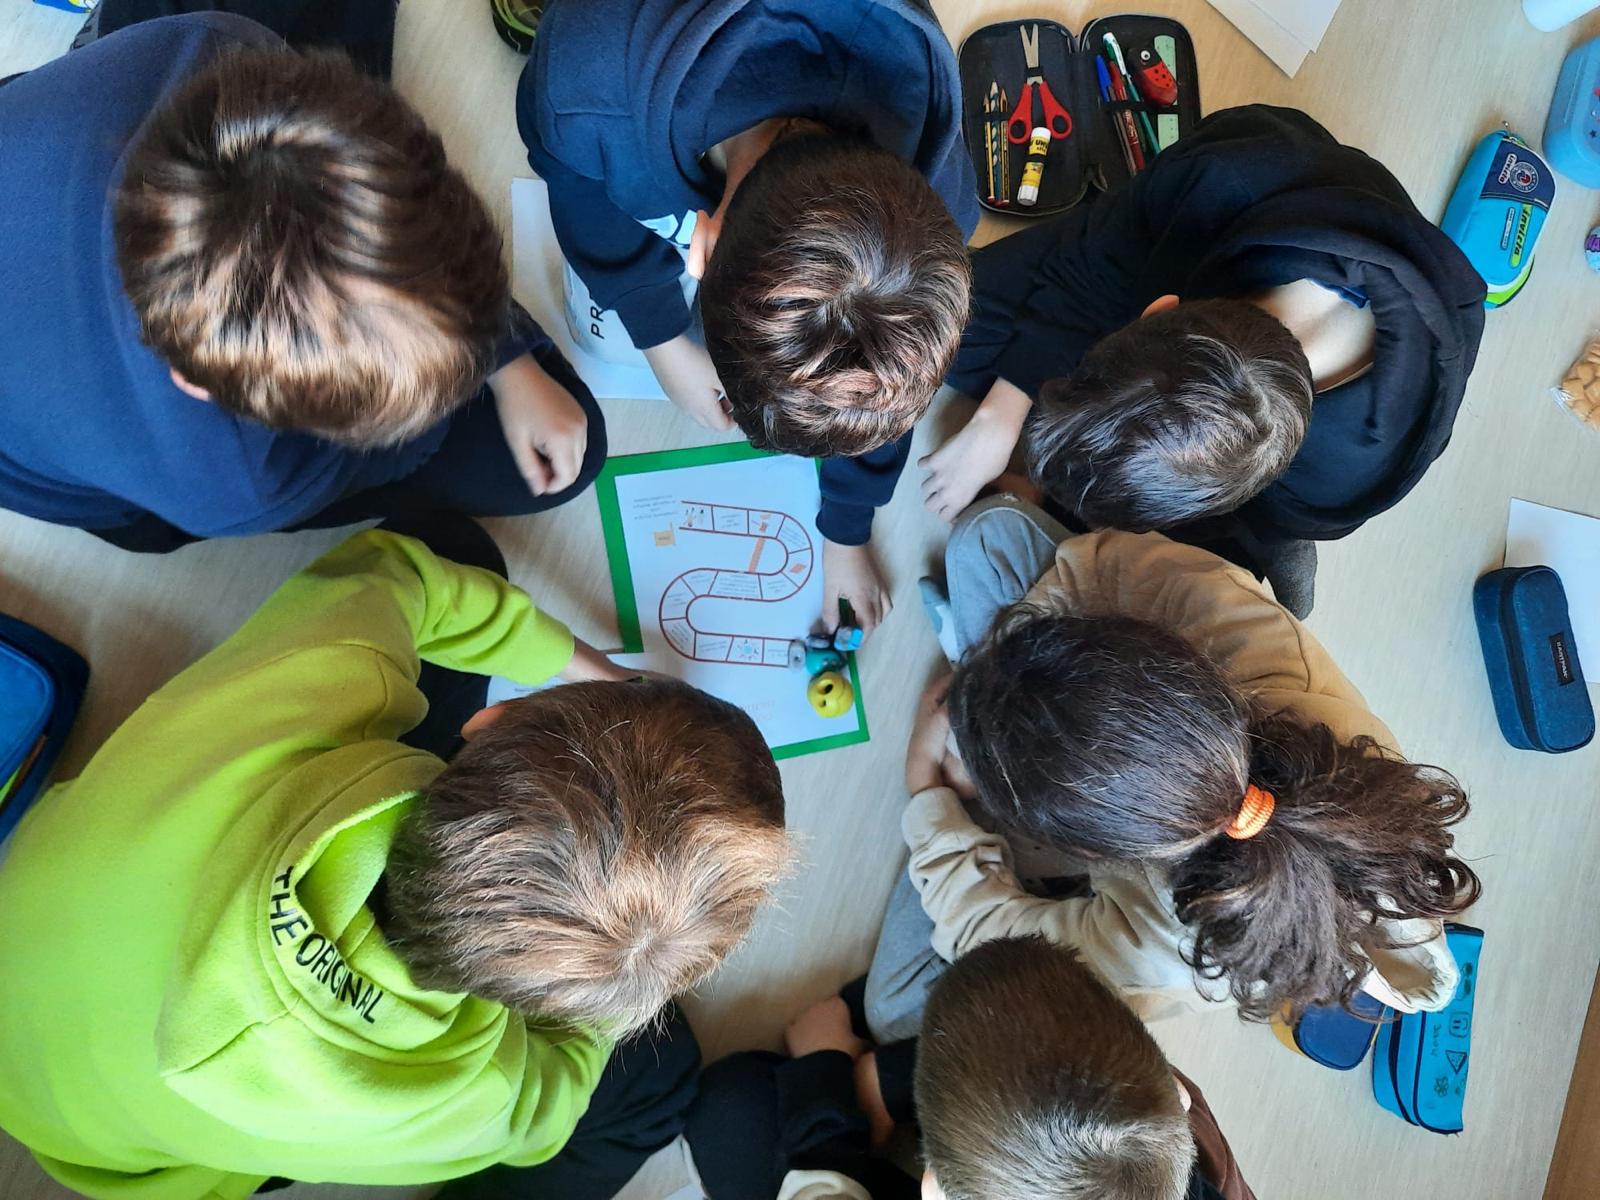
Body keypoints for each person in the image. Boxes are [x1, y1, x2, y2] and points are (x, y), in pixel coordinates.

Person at [0, 513, 791, 1200]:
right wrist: (600, 993)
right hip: (121, 1148)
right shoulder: (481, 1098)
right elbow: (550, 1113)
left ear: (488, 722)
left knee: (449, 548)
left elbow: (394, 573)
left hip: (33, 957)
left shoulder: (306, 699)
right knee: (657, 1077)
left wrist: (592, 672)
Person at [864, 495, 1482, 1042]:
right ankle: (1006, 713)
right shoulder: (1255, 643)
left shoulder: (1173, 945)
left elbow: (989, 929)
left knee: (895, 1011)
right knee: (989, 534)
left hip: (1137, 901)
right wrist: (1004, 665)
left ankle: (996, 760)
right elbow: (1111, 562)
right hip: (1147, 823)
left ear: (1080, 847)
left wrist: (930, 795)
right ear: (1168, 661)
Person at [0, 9, 604, 553]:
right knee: (574, 446)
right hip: (74, 469)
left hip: (37, 159)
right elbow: (377, 454)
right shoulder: (238, 484)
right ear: (199, 383)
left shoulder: (218, 41)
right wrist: (503, 363)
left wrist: (504, 356)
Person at [517, 0, 979, 632]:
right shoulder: (585, 84)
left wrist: (845, 529)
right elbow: (565, 166)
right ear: (699, 250)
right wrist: (657, 335)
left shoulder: (943, 211)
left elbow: (877, 378)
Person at [919, 105, 1487, 616]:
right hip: (1223, 223)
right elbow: (1088, 265)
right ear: (1159, 306)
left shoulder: (1349, 472)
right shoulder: (1224, 175)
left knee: (1179, 575)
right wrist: (1001, 414)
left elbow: (1241, 517)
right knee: (946, 323)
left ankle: (1268, 558)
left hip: (1266, 499)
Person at [686, 939, 1255, 1200]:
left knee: (732, 1108)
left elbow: (820, 1180)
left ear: (933, 1187)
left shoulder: (1167, 1115)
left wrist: (824, 1071)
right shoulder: (1173, 1128)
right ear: (1174, 1094)